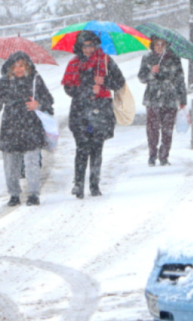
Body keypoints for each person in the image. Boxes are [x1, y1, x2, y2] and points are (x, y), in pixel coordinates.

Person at [62, 31, 125, 199]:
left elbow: (119, 81)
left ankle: (94, 184)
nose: (88, 49)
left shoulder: (105, 61)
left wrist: (104, 82)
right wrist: (89, 90)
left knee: (97, 148)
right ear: (79, 47)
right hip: (80, 111)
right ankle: (78, 184)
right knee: (81, 148)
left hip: (100, 109)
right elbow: (69, 89)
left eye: (91, 45)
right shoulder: (74, 64)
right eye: (85, 45)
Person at [0, 51, 54, 207]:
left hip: (31, 126)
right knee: (10, 165)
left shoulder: (35, 80)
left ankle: (33, 194)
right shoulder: (4, 82)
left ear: (27, 66)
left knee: (32, 163)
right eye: (15, 65)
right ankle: (14, 194)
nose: (19, 69)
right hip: (10, 127)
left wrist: (38, 105)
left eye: (22, 65)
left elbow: (49, 100)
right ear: (10, 67)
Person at [138, 36, 187, 166]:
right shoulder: (147, 58)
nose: (159, 46)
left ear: (166, 45)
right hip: (152, 97)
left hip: (170, 97)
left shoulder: (174, 58)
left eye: (162, 44)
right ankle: (152, 155)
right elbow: (142, 78)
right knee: (152, 129)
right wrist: (151, 73)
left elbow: (180, 79)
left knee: (167, 129)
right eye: (157, 44)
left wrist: (182, 99)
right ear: (153, 45)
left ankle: (164, 156)